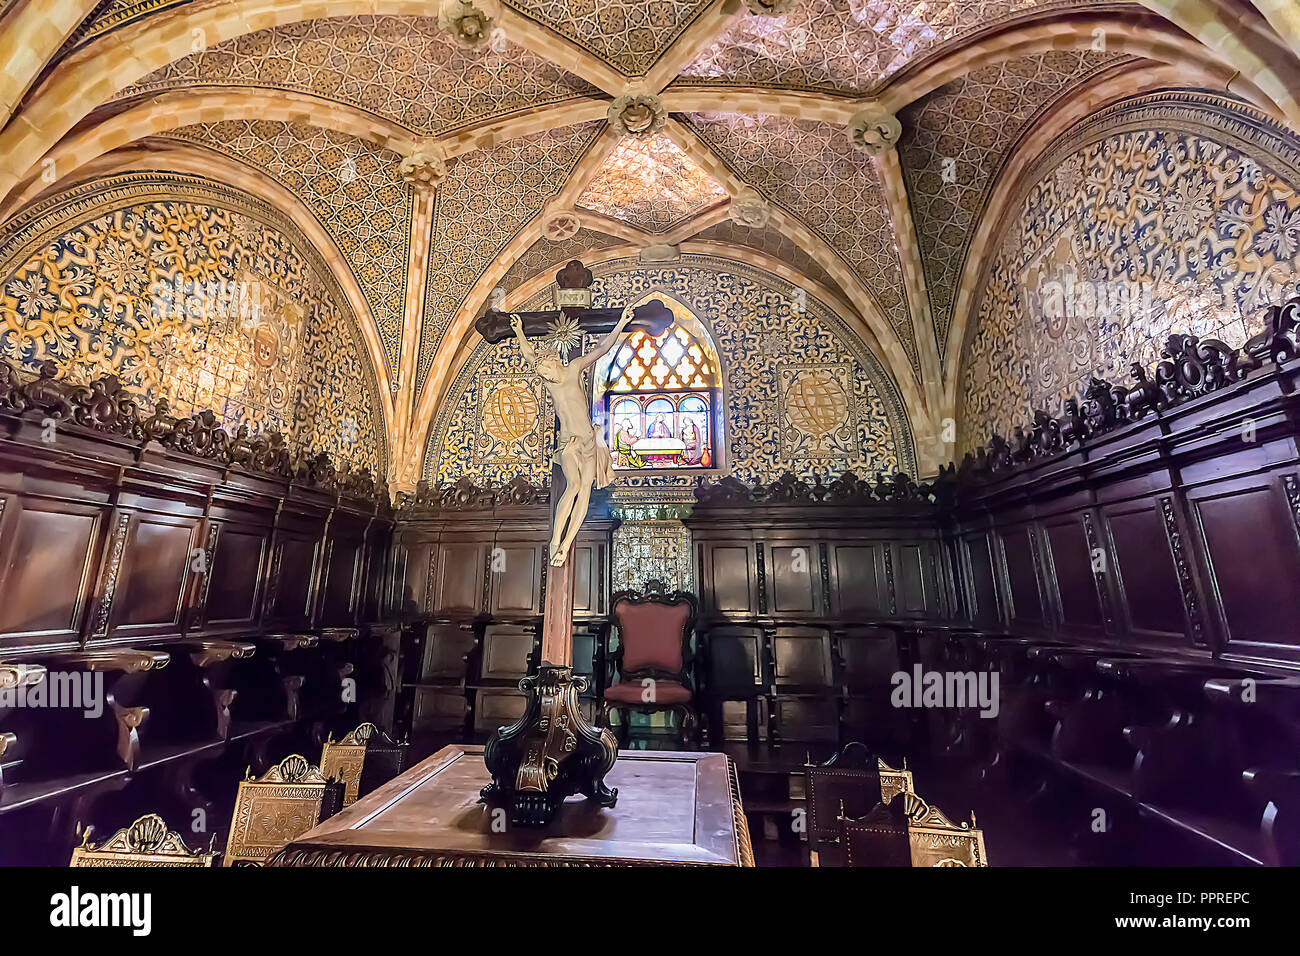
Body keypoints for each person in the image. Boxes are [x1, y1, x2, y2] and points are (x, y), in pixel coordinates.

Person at [511, 311, 633, 565]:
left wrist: (621, 323)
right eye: (541, 374)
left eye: (545, 371)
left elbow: (600, 349)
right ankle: (556, 539)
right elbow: (529, 354)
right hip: (568, 443)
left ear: (554, 362)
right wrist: (519, 331)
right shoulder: (549, 379)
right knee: (573, 486)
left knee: (585, 489)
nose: (545, 378)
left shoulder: (573, 368)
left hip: (588, 440)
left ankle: (566, 545)